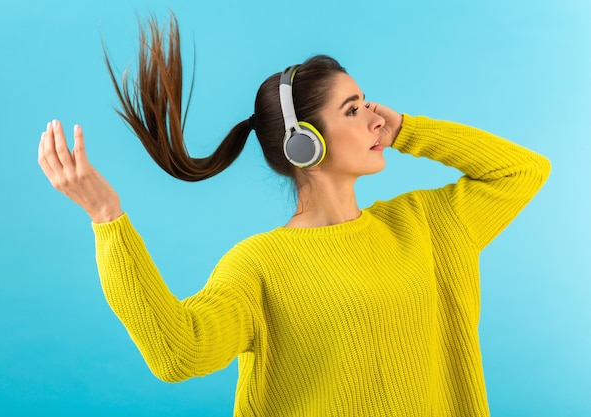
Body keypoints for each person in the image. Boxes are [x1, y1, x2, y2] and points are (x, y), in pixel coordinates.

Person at [37, 15, 550, 417]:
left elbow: (523, 171)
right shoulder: (260, 265)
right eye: (352, 110)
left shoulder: (426, 224)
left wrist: (410, 131)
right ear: (304, 144)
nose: (376, 117)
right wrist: (107, 218)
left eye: (367, 102)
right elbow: (178, 352)